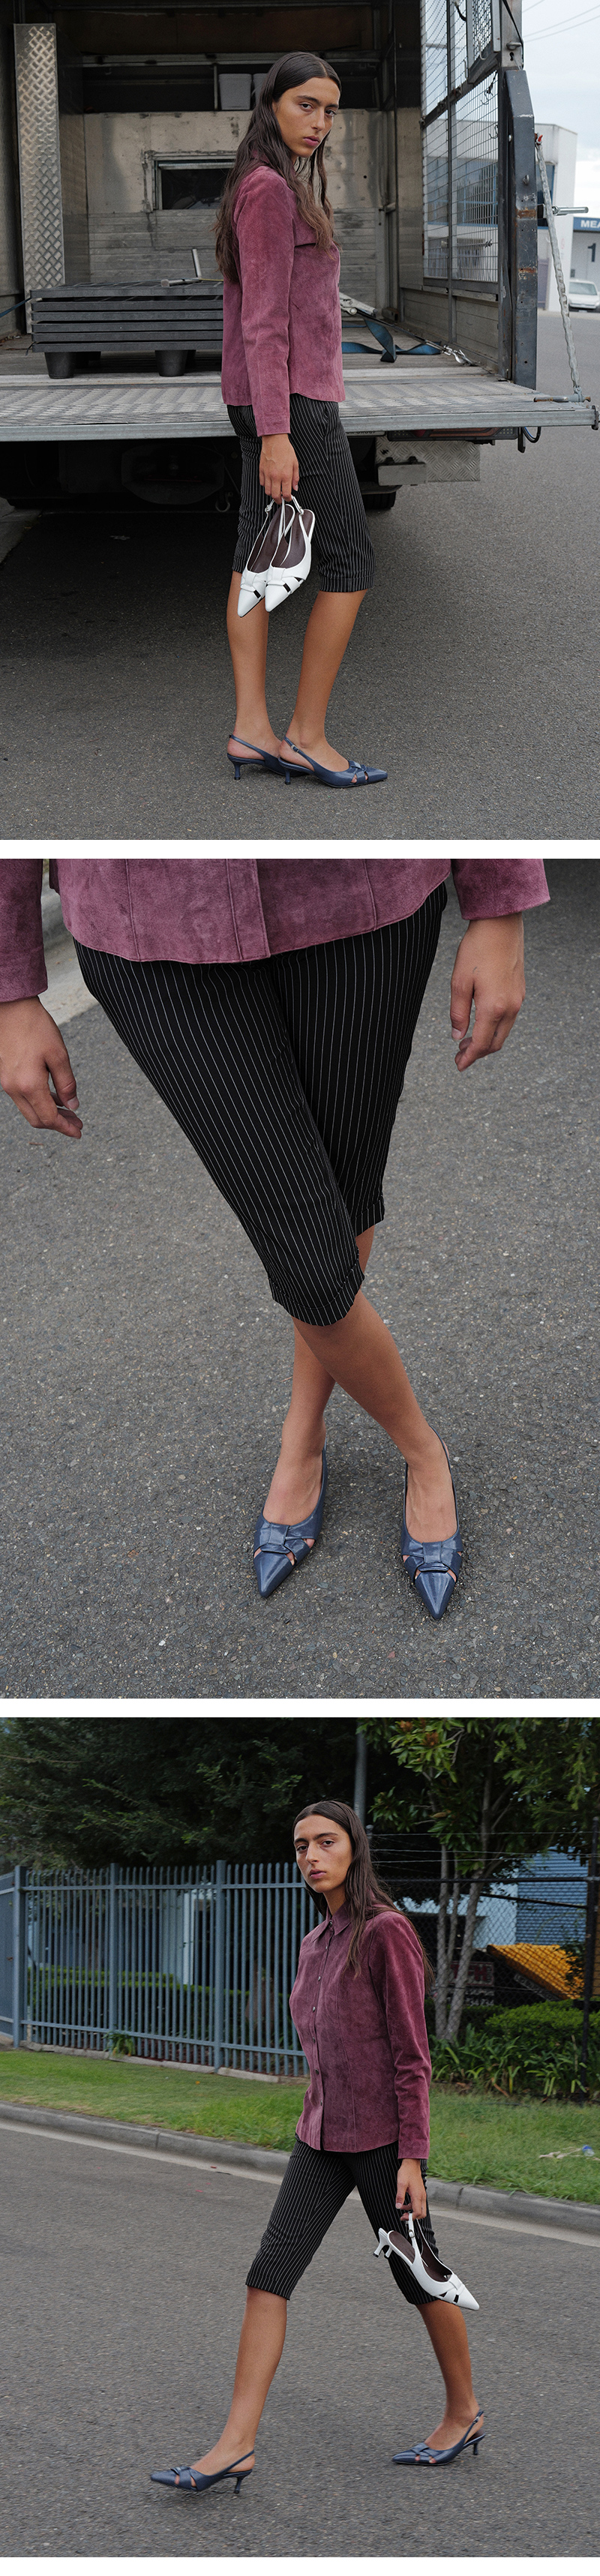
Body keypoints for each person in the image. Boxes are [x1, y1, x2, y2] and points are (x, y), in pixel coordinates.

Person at [0, 856, 549, 1623]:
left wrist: (500, 903)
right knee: (311, 1259)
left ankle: (303, 1436)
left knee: (341, 1201)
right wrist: (9, 985)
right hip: (148, 916)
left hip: (362, 896)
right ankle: (423, 1452)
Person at [150, 1799, 484, 2496]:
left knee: (419, 2276)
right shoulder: (313, 1942)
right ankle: (236, 2444)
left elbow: (412, 2056)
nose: (311, 1856)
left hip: (383, 2141)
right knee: (267, 2275)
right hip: (319, 2136)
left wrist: (413, 2158)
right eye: (301, 1845)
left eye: (326, 1841)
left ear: (354, 1848)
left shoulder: (386, 1931)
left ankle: (464, 2412)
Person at [217, 52, 385, 788]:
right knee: (348, 563)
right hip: (290, 404)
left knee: (255, 559)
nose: (319, 122)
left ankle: (251, 730)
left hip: (270, 399)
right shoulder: (268, 190)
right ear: (272, 105)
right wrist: (277, 433)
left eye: (329, 110)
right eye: (305, 105)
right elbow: (263, 322)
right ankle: (306, 736)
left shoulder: (273, 182)